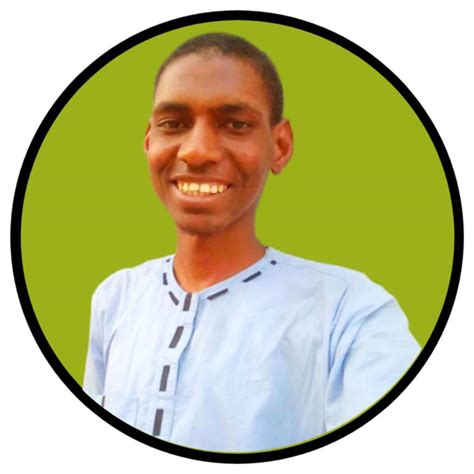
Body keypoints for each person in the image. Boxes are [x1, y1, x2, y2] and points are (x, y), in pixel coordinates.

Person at [83, 32, 420, 452]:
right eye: (174, 123)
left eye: (236, 124)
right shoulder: (116, 298)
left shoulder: (349, 314)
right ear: (149, 140)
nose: (198, 151)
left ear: (280, 146)